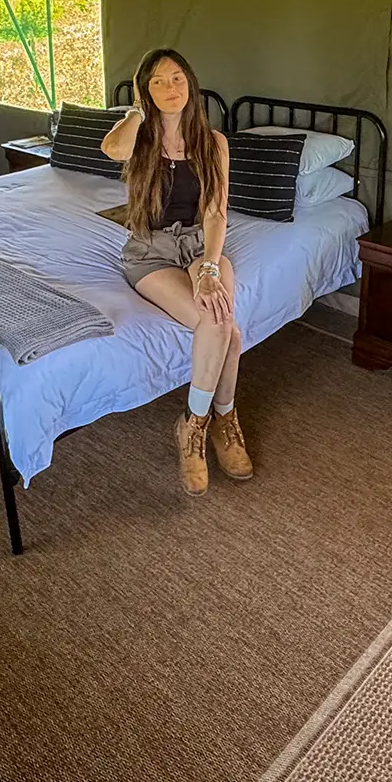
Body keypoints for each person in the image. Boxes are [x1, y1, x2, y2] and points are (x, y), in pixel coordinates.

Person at [102, 47, 251, 494]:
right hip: (149, 249)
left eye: (178, 78)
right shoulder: (139, 138)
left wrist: (208, 266)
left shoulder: (214, 143)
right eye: (159, 81)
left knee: (222, 321)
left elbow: (215, 214)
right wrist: (136, 112)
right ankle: (220, 416)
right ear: (145, 91)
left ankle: (198, 422)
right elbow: (112, 150)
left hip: (199, 246)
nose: (171, 88)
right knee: (225, 329)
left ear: (192, 83)